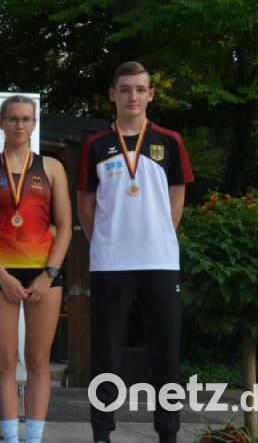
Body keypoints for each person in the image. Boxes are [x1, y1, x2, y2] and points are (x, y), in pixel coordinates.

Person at [77, 61, 193, 443]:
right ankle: (102, 434)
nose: (133, 96)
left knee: (165, 350)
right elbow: (86, 202)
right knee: (105, 352)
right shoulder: (95, 145)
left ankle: (168, 434)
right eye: (125, 89)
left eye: (140, 89)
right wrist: (104, 241)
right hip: (110, 263)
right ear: (113, 94)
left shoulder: (169, 140)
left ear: (151, 95)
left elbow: (177, 194)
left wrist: (162, 232)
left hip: (160, 260)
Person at [0, 95, 72, 443]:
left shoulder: (52, 167)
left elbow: (65, 227)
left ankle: (34, 439)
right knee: (7, 361)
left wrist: (49, 274)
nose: (19, 125)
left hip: (45, 274)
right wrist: (1, 276)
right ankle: (11, 438)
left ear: (34, 124)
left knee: (39, 362)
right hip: (1, 275)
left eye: (26, 119)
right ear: (1, 123)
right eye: (12, 119)